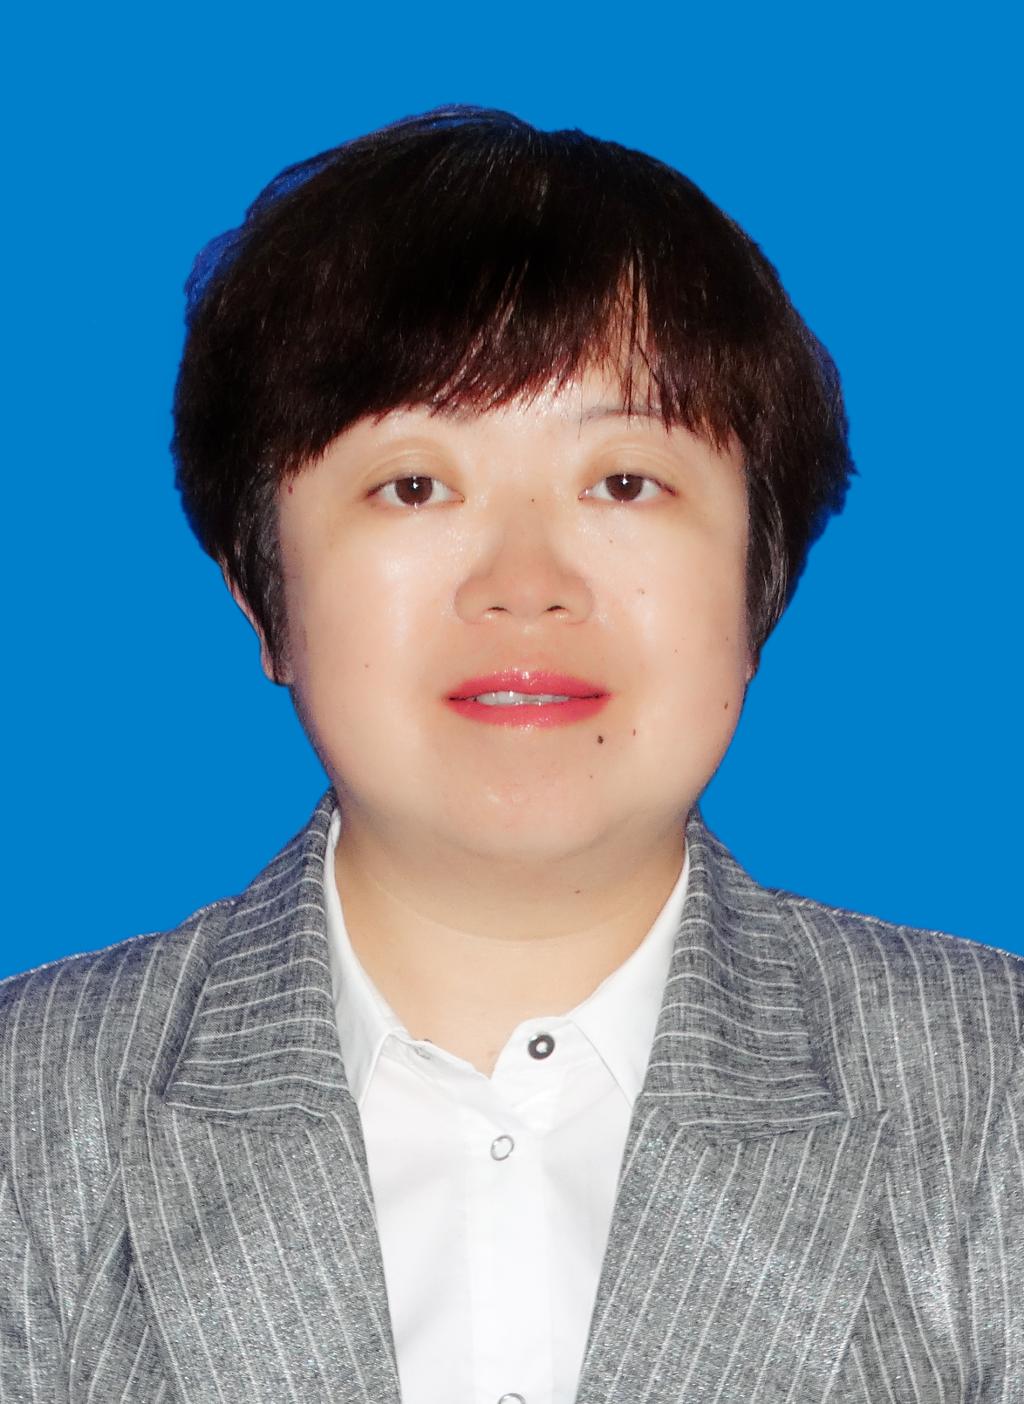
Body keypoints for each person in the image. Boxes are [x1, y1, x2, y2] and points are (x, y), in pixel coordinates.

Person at [1, 107, 1020, 1404]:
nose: (526, 582)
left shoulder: (998, 1092)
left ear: (759, 582)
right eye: (414, 485)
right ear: (261, 595)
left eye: (624, 483)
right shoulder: (27, 1117)